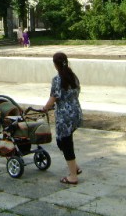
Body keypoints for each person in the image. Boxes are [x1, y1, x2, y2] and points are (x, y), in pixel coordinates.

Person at [42, 52, 83, 185]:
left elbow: (53, 98)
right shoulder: (73, 77)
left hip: (65, 117)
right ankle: (74, 167)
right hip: (76, 113)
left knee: (65, 143)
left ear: (55, 64)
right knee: (64, 141)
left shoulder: (57, 79)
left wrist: (45, 108)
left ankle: (73, 176)